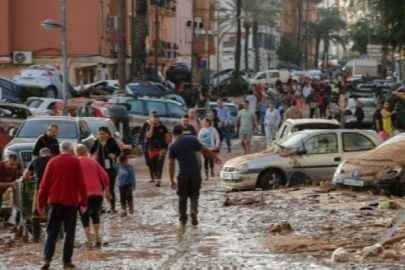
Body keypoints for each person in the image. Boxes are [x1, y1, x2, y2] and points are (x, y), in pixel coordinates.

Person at [37, 141, 87, 270]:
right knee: (69, 232)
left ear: (60, 150)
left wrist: (40, 203)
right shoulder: (75, 162)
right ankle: (66, 261)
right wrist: (84, 202)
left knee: (52, 231)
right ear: (71, 151)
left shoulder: (52, 162)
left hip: (55, 201)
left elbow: (44, 184)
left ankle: (47, 260)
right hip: (71, 202)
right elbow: (81, 183)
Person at [168, 125, 221, 226]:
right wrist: (215, 157)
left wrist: (171, 180)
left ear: (173, 134)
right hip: (195, 174)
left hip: (182, 175)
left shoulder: (172, 146)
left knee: (182, 198)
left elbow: (171, 164)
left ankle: (183, 220)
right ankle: (193, 210)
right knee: (194, 195)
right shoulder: (192, 139)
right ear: (182, 131)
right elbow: (205, 150)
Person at [74, 144, 111, 248]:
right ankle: (97, 238)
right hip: (97, 192)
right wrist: (107, 191)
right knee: (95, 215)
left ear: (76, 154)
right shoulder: (94, 162)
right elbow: (105, 176)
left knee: (84, 217)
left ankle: (89, 241)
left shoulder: (75, 163)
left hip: (82, 194)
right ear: (86, 152)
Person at [89, 126, 122, 213]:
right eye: (99, 134)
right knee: (100, 188)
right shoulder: (96, 142)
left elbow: (118, 151)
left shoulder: (111, 141)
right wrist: (93, 157)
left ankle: (112, 207)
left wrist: (114, 155)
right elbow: (90, 152)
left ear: (106, 133)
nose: (101, 136)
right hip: (99, 168)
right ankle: (100, 207)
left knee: (110, 188)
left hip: (111, 168)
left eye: (103, 134)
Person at [23, 148, 52, 243]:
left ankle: (36, 237)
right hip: (52, 190)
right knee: (53, 212)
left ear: (40, 154)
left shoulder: (35, 160)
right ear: (49, 154)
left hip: (40, 189)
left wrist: (28, 178)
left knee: (36, 213)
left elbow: (26, 175)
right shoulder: (52, 161)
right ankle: (56, 235)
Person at [146, 114, 171, 187]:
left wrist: (169, 146)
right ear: (151, 120)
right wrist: (152, 126)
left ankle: (158, 180)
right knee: (153, 165)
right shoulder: (148, 127)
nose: (155, 122)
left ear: (159, 119)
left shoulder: (163, 127)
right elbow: (149, 136)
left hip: (162, 149)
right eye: (154, 120)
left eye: (157, 120)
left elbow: (168, 137)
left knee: (159, 164)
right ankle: (156, 177)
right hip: (152, 149)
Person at [139, 111, 157, 183]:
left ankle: (153, 177)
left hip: (155, 146)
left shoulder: (159, 124)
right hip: (147, 145)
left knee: (155, 162)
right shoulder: (146, 124)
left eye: (154, 117)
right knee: (148, 162)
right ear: (150, 117)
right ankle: (153, 174)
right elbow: (140, 134)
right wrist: (140, 143)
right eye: (151, 116)